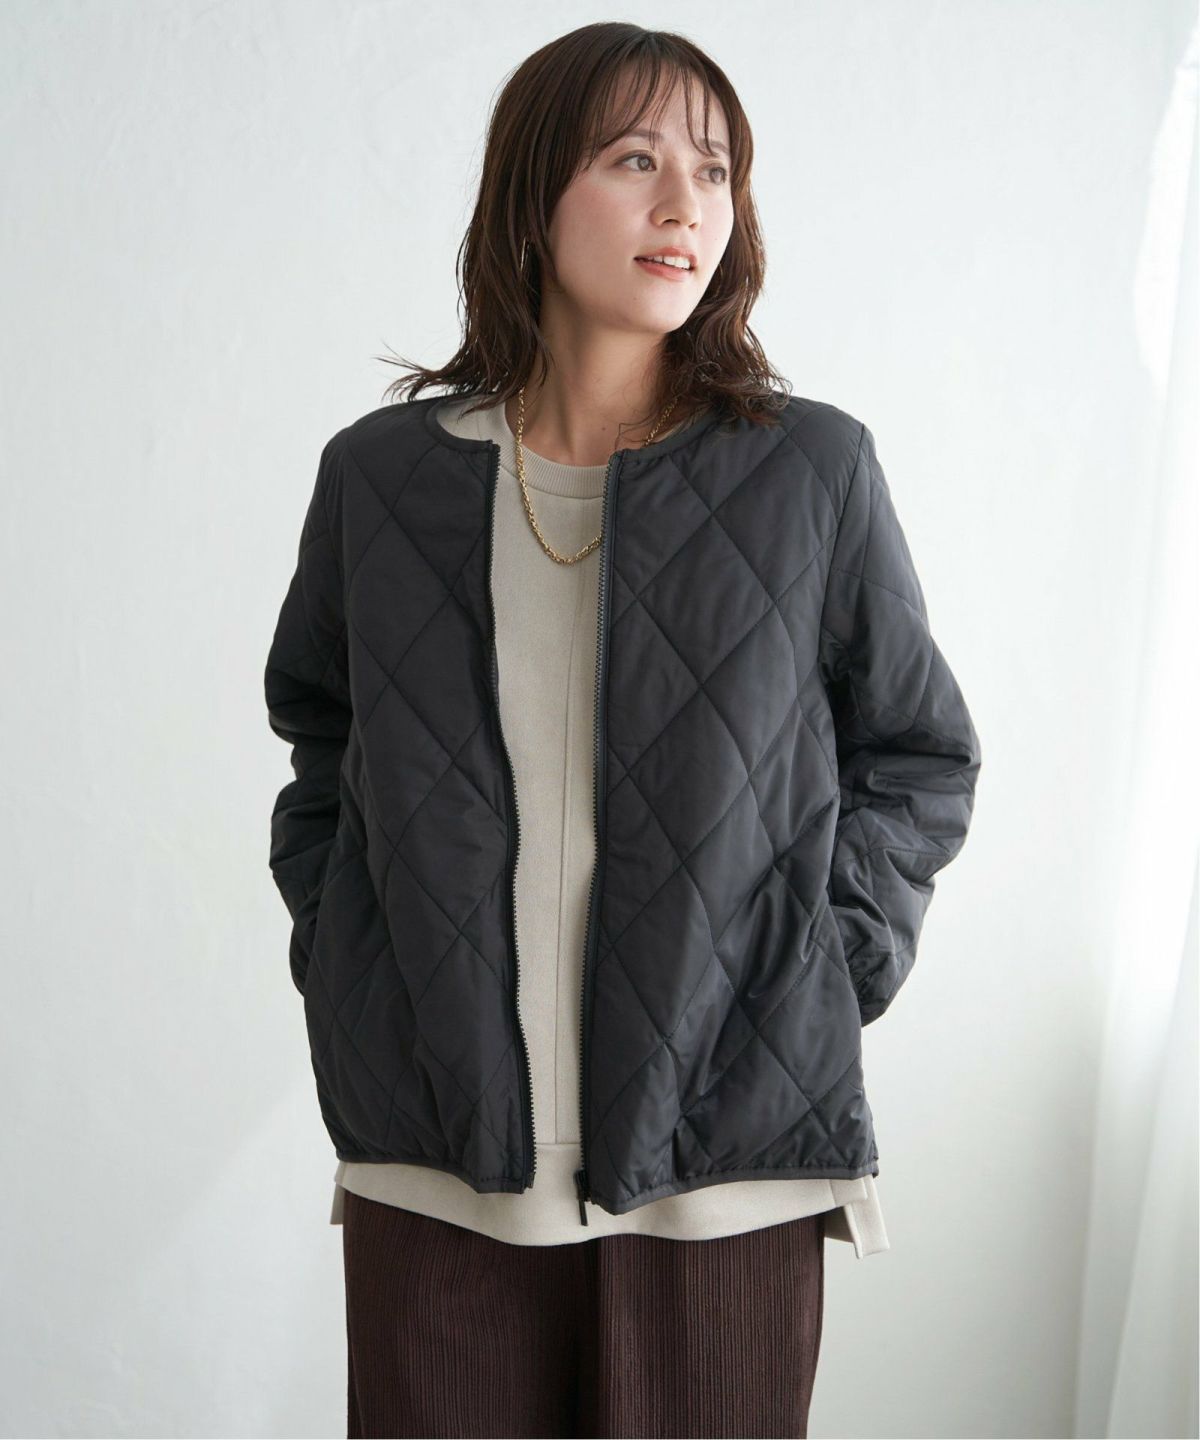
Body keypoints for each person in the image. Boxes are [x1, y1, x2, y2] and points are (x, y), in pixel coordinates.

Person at [263, 21, 982, 1439]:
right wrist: (350, 954)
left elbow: (917, 753)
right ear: (535, 192)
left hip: (726, 1169)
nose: (685, 206)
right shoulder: (381, 478)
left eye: (714, 171)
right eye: (636, 160)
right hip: (439, 1160)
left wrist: (816, 970)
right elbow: (324, 745)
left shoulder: (809, 471)